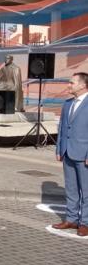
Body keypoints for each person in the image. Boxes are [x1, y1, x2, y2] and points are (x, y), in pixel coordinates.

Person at [52, 72, 88, 236]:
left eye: (72, 83)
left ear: (83, 85)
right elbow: (61, 128)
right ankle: (71, 219)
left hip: (84, 155)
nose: (68, 85)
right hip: (68, 153)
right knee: (71, 189)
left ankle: (85, 223)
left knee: (86, 191)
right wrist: (59, 149)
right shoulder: (67, 104)